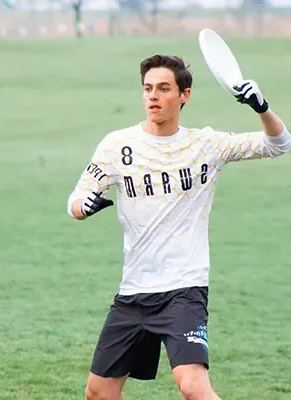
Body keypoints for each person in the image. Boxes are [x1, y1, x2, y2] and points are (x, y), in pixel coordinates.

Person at [67, 55, 291, 400]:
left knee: (192, 386)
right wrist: (84, 207)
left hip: (183, 290)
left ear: (184, 95)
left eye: (163, 88)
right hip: (134, 292)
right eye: (147, 88)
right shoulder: (117, 145)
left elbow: (279, 144)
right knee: (99, 392)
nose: (152, 96)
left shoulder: (206, 144)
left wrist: (262, 108)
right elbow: (76, 201)